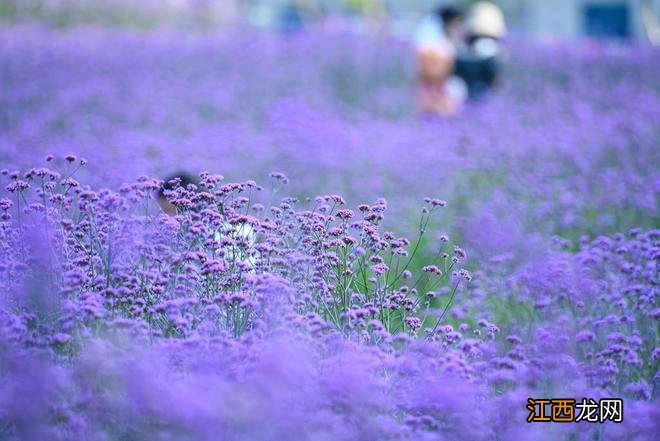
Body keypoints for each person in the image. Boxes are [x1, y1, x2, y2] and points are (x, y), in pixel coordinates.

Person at [414, 5, 468, 117]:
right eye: (456, 22)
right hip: (436, 91)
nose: (459, 27)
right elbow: (431, 72)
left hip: (440, 90)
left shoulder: (446, 42)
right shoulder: (433, 45)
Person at [454, 1, 507, 100]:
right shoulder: (492, 50)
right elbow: (495, 79)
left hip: (465, 98)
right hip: (484, 97)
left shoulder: (463, 49)